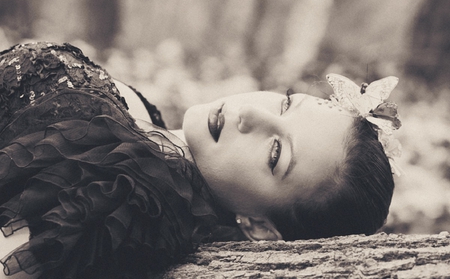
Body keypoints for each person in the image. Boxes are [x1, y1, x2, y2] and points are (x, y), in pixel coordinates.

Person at [0, 42, 401, 278]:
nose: (250, 115)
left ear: (260, 228)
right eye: (285, 104)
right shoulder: (152, 141)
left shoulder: (126, 198)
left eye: (276, 152)